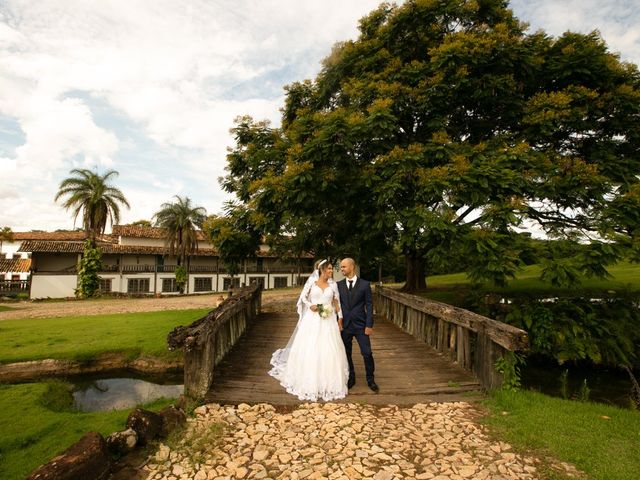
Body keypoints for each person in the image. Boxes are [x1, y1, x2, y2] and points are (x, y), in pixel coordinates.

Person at [268, 260, 349, 401]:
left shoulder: (333, 285)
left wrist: (340, 318)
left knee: (329, 349)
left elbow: (337, 302)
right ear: (322, 270)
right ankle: (309, 382)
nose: (331, 271)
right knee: (311, 347)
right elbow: (303, 298)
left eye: (331, 269)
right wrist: (311, 305)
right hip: (312, 320)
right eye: (329, 269)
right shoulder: (312, 283)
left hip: (329, 321)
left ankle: (328, 384)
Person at [337, 257, 378, 392]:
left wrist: (369, 325)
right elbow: (336, 305)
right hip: (345, 326)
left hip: (361, 325)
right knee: (346, 353)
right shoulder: (339, 285)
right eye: (341, 267)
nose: (341, 269)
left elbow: (369, 305)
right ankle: (351, 377)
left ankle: (370, 379)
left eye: (343, 267)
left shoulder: (365, 285)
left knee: (367, 353)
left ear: (352, 267)